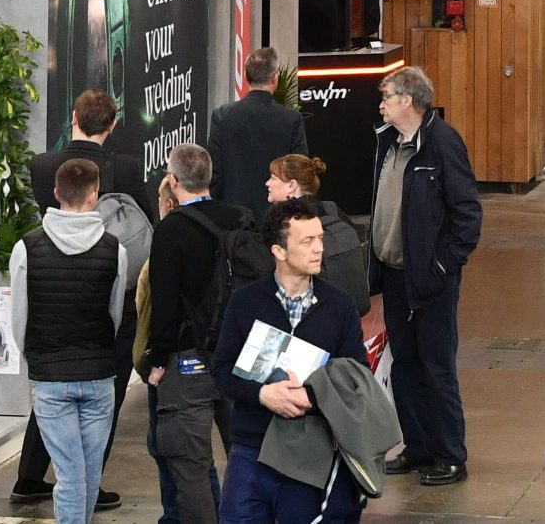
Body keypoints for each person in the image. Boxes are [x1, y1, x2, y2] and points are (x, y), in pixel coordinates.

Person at [210, 197, 371, 524]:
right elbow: (222, 370)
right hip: (252, 449)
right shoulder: (245, 303)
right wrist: (263, 394)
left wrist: (310, 397)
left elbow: (358, 378)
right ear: (278, 251)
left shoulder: (340, 306)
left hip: (312, 452)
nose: (319, 249)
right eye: (307, 241)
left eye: (320, 239)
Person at [371, 66, 479, 486]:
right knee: (405, 367)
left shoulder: (443, 143)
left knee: (437, 368)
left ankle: (451, 454)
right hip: (395, 275)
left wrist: (440, 267)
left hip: (430, 280)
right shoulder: (387, 143)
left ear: (408, 101)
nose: (381, 103)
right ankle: (417, 447)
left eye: (387, 95)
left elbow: (467, 216)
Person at [12, 158, 132, 524]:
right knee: (88, 476)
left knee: (70, 475)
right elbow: (114, 317)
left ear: (55, 193)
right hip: (98, 376)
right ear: (94, 196)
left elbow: (19, 319)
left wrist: (35, 359)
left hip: (50, 377)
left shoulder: (26, 248)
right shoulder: (116, 250)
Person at [139, 142, 239, 524]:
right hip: (240, 357)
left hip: (188, 361)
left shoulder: (171, 230)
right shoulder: (240, 220)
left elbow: (164, 304)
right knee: (245, 457)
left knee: (191, 466)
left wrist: (158, 360)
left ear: (173, 179)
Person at [208, 50, 308, 214]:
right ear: (275, 77)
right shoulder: (291, 119)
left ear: (246, 75)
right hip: (278, 217)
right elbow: (299, 173)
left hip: (234, 218)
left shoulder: (223, 116)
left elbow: (215, 173)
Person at [264, 155, 370, 309]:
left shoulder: (286, 221)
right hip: (349, 306)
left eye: (273, 178)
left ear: (291, 186)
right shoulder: (332, 209)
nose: (268, 183)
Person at [34, 88, 147, 213]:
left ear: (74, 118)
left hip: (53, 233)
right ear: (112, 126)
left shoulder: (40, 165)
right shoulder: (125, 168)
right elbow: (144, 218)